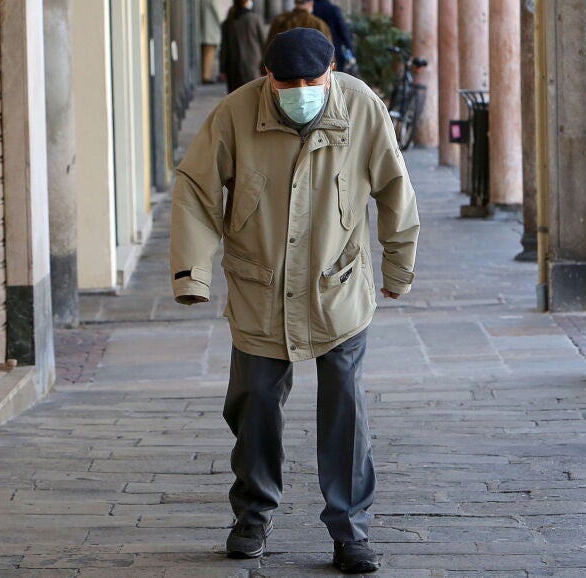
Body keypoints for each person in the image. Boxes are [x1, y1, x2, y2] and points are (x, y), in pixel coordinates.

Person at [170, 28, 419, 575]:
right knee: (254, 402)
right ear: (268, 77)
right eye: (289, 83)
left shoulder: (361, 107)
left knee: (345, 406)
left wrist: (399, 266)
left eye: (313, 81)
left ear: (332, 71)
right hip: (260, 288)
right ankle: (252, 515)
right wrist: (193, 274)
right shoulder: (235, 114)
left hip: (338, 284)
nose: (302, 91)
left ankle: (350, 531)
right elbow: (196, 189)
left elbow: (394, 188)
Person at [221, 0, 266, 93]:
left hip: (233, 66)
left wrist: (223, 69)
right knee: (253, 95)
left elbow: (224, 48)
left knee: (236, 96)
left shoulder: (228, 21)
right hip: (253, 65)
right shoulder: (255, 19)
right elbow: (264, 43)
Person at [312, 0, 356, 73]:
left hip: (314, 51)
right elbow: (343, 31)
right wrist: (350, 49)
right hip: (334, 50)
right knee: (336, 75)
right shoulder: (333, 9)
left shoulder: (311, 10)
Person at [266, 0, 332, 48]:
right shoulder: (319, 24)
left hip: (281, 63)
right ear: (311, 3)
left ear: (295, 2)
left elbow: (268, 49)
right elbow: (328, 52)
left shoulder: (280, 21)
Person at [198, 0, 223, 83]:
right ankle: (206, 77)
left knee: (205, 54)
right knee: (209, 53)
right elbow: (219, 13)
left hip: (205, 28)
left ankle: (205, 76)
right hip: (211, 29)